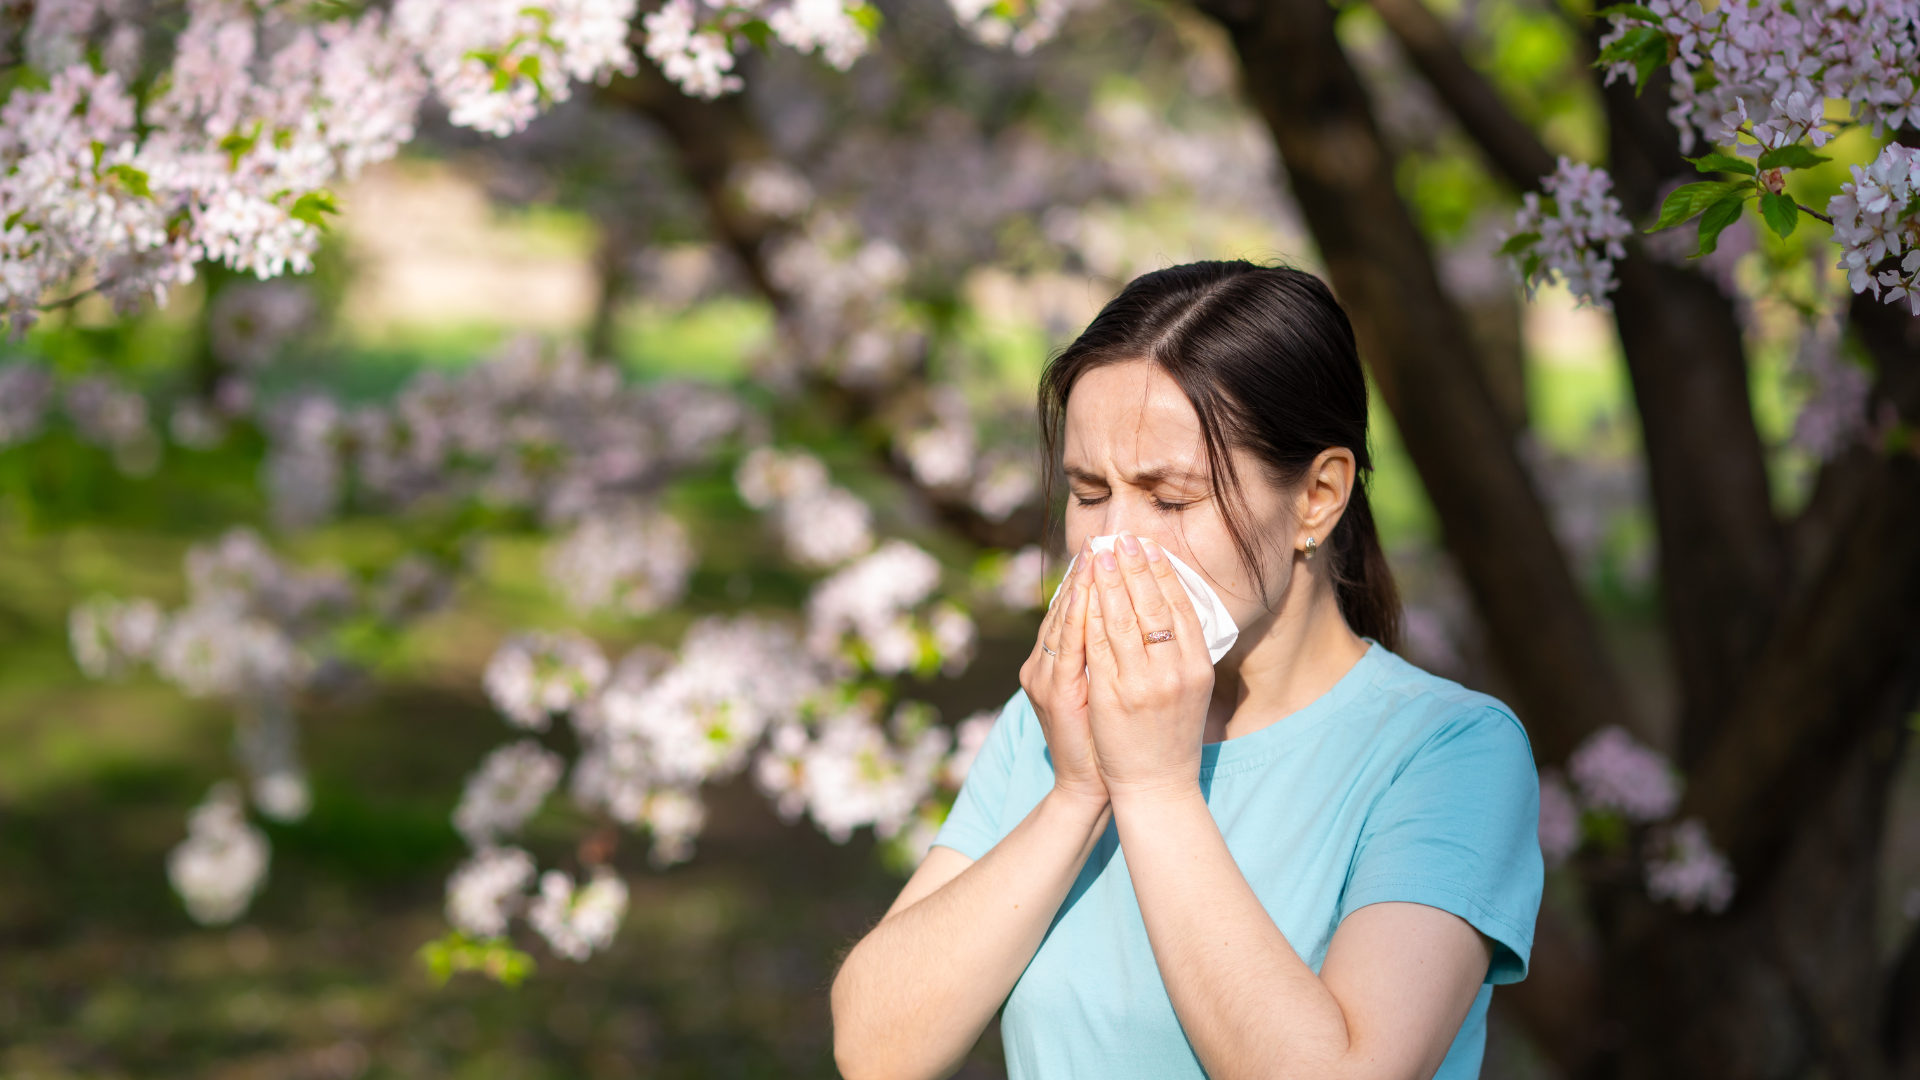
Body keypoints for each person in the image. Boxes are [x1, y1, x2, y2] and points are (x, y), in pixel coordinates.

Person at [831, 261, 1543, 1080]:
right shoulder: (1055, 717)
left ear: (1318, 496)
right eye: (1090, 492)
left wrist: (1157, 787)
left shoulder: (1448, 753)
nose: (1112, 544)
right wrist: (1078, 790)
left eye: (1170, 499)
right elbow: (874, 1050)